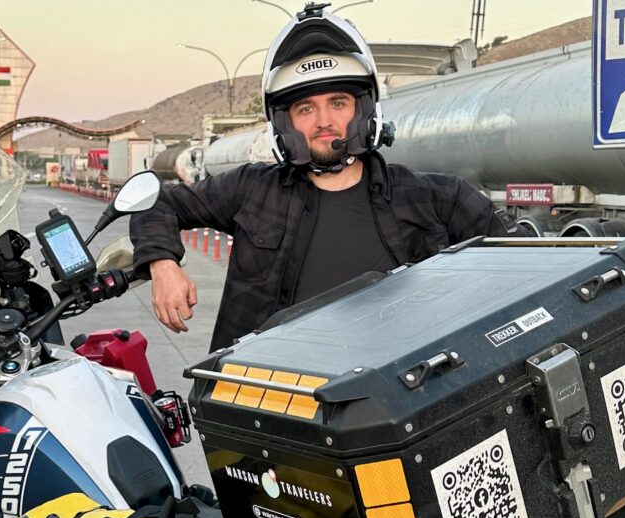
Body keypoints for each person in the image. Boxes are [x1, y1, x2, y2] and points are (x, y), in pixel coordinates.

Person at [130, 4, 529, 352]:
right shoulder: (252, 189)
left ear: (364, 111)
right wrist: (162, 263)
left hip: (399, 416)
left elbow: (521, 277)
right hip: (264, 405)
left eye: (338, 103)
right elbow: (159, 201)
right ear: (285, 124)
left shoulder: (439, 200)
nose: (324, 122)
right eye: (305, 109)